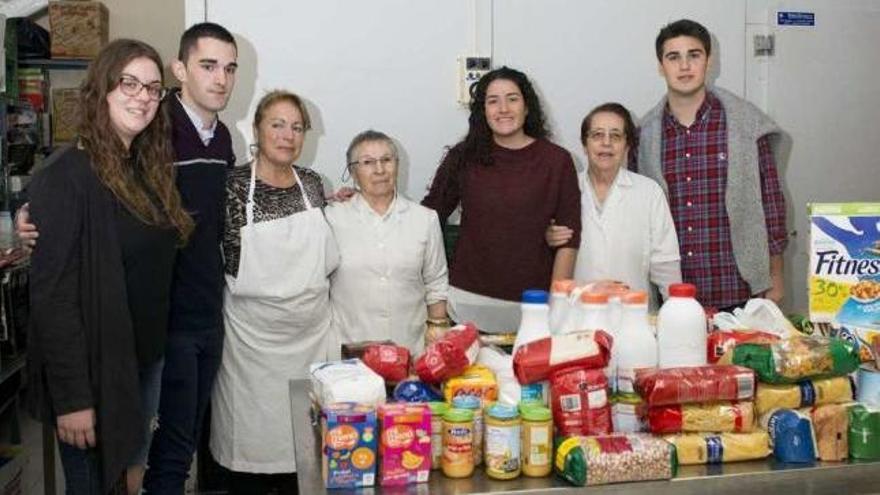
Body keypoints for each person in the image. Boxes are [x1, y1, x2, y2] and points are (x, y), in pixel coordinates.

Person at [27, 39, 193, 495]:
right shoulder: (65, 175)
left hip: (140, 363)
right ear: (102, 87)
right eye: (129, 82)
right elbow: (53, 297)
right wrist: (73, 400)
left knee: (128, 484)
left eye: (153, 88)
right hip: (95, 376)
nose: (142, 96)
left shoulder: (138, 166)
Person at [211, 90, 337, 494]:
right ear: (258, 130)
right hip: (250, 347)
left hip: (310, 342)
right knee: (249, 456)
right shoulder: (230, 186)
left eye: (297, 127)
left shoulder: (314, 185)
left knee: (305, 456)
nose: (288, 135)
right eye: (277, 125)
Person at [143, 23, 238, 493]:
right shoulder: (152, 126)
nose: (221, 78)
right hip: (168, 320)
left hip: (209, 311)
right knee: (170, 453)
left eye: (229, 67)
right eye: (208, 66)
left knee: (199, 439)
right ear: (180, 69)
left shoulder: (221, 138)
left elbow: (233, 214)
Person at [637, 19, 787, 311]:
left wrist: (776, 277)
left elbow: (772, 206)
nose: (684, 66)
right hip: (673, 296)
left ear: (709, 60)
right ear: (660, 66)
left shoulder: (746, 124)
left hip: (739, 291)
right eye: (673, 57)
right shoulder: (644, 135)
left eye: (694, 55)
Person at [422, 66, 581, 332]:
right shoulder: (463, 158)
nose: (503, 108)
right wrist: (367, 198)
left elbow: (569, 240)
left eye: (512, 98)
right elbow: (428, 216)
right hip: (467, 303)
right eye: (493, 101)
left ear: (527, 106)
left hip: (535, 307)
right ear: (482, 111)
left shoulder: (557, 161)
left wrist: (557, 305)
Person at [327, 130, 449, 356]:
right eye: (368, 162)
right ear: (353, 171)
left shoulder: (424, 219)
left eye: (386, 160)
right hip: (349, 350)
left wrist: (438, 330)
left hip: (411, 348)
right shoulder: (331, 218)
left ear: (397, 165)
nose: (380, 170)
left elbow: (436, 282)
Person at [546, 103, 681, 306]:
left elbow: (666, 267)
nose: (606, 143)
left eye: (616, 136)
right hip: (575, 320)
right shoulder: (563, 190)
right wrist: (545, 237)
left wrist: (676, 313)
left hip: (634, 318)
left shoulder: (649, 193)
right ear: (585, 144)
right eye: (597, 135)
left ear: (627, 146)